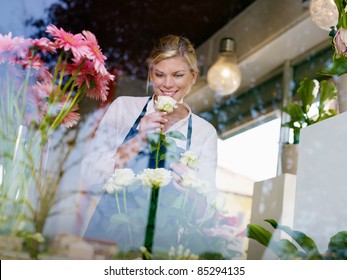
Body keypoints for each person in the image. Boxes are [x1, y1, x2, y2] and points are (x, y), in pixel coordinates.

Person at [80, 35, 218, 256]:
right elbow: (90, 175)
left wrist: (193, 190)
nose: (167, 84)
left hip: (161, 248)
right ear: (150, 74)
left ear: (193, 77)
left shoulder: (204, 133)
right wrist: (138, 140)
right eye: (159, 74)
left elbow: (206, 211)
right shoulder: (124, 109)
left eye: (178, 75)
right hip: (105, 240)